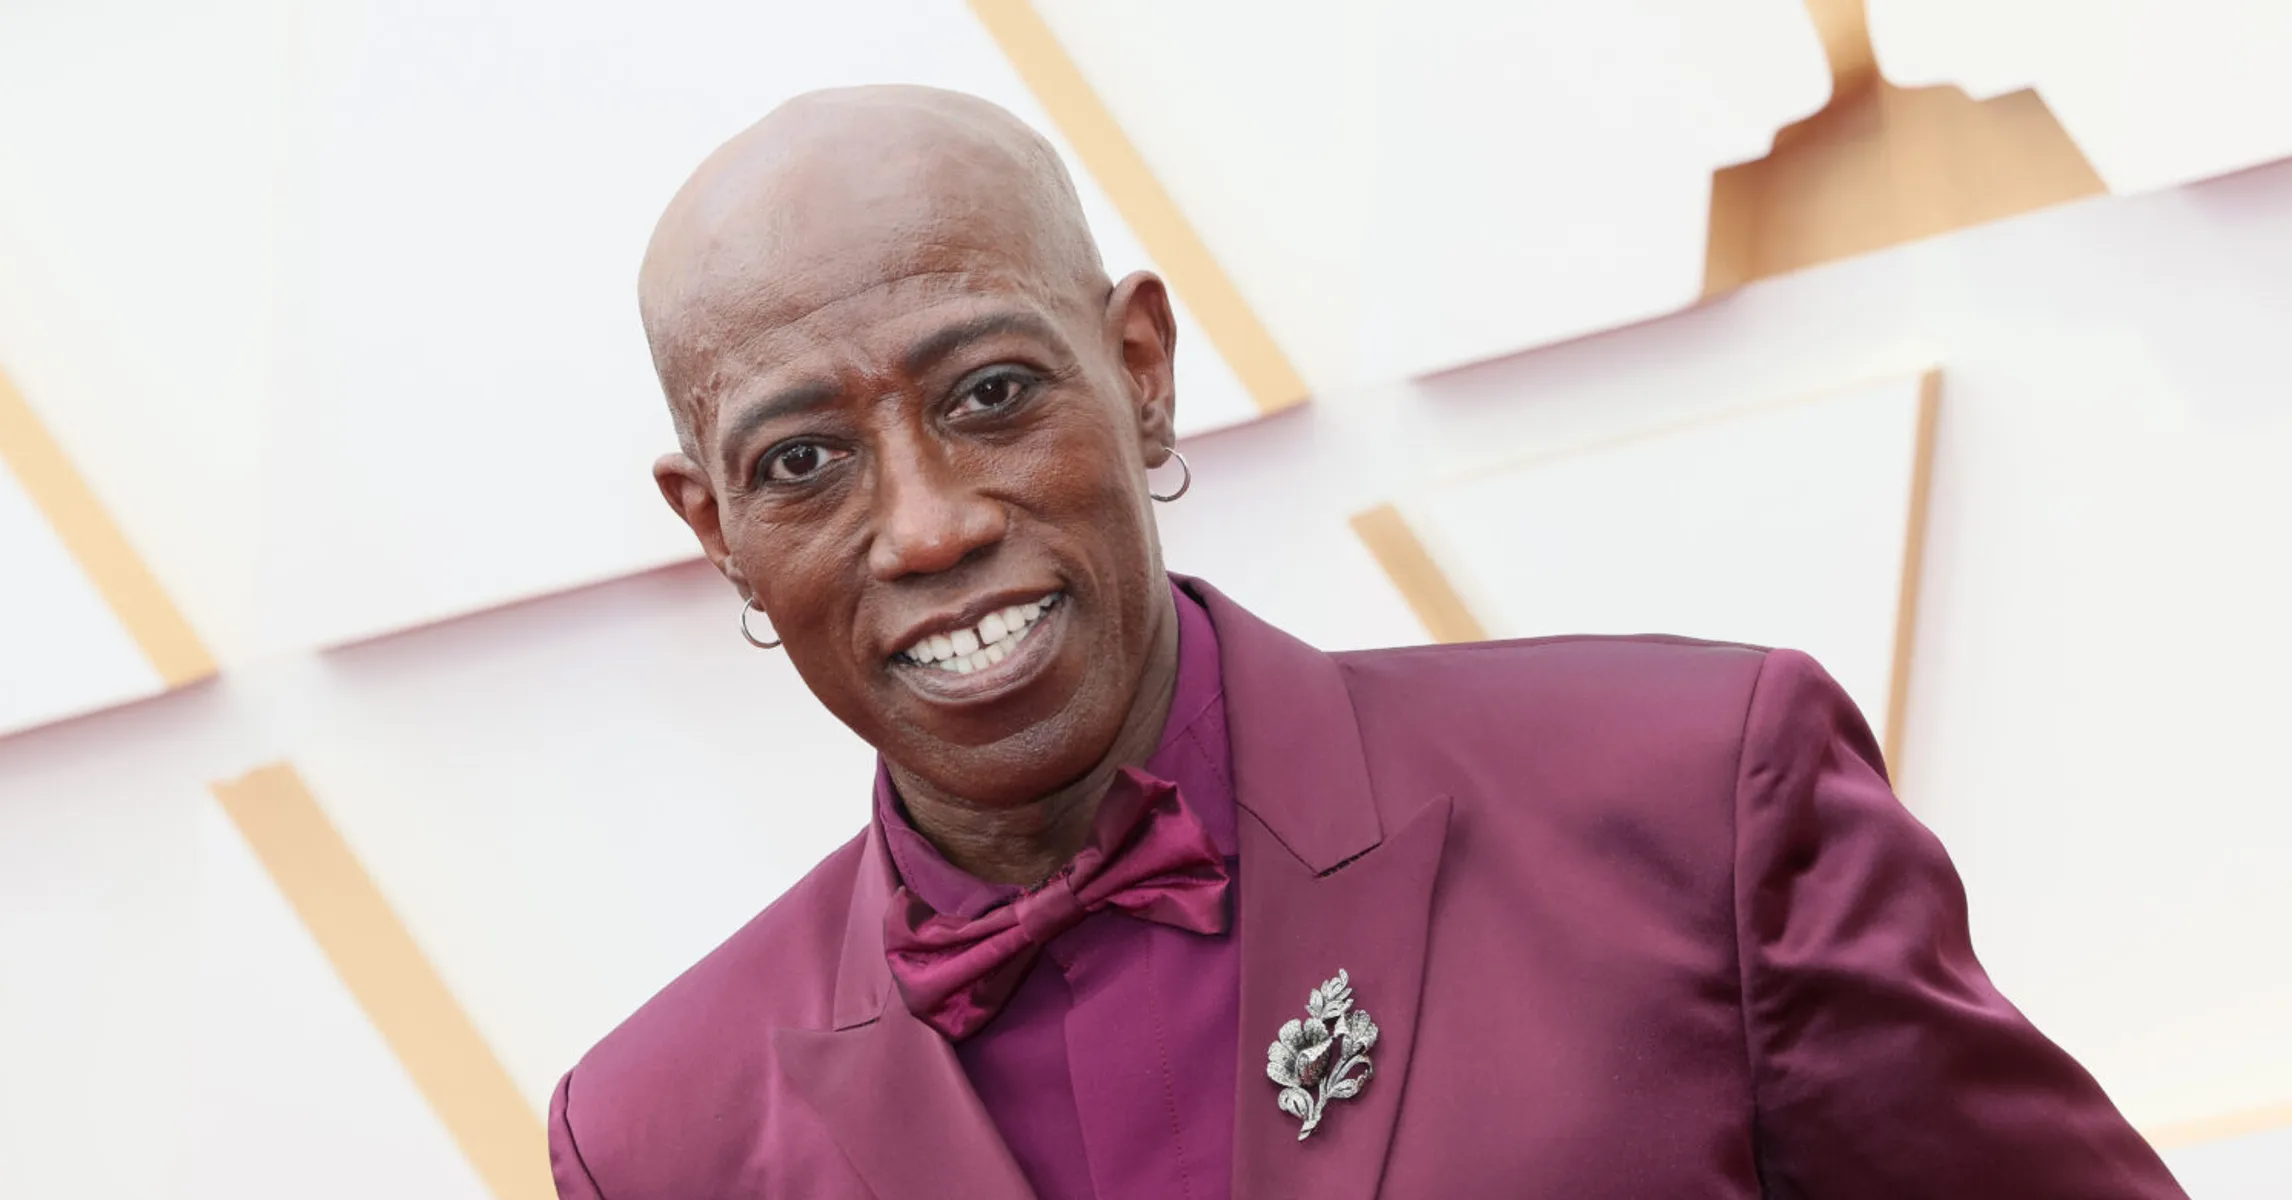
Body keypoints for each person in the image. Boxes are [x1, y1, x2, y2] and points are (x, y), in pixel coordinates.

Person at [547, 85, 2185, 1199]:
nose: (925, 528)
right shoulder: (652, 1135)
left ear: (1141, 372)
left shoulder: (1692, 801)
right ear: (718, 530)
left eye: (991, 394)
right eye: (802, 463)